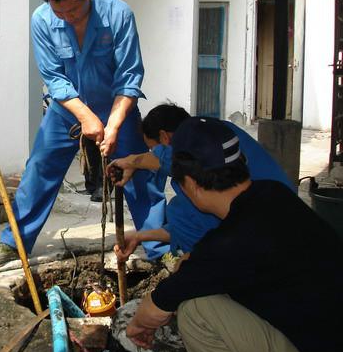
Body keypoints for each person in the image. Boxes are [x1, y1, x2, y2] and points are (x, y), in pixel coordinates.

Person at [0, 0, 168, 266]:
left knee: (140, 175)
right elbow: (54, 78)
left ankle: (162, 248)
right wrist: (86, 117)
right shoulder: (41, 20)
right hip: (66, 111)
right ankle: (14, 243)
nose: (67, 19)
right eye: (59, 14)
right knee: (38, 171)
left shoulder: (118, 14)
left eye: (74, 12)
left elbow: (130, 77)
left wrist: (114, 124)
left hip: (117, 107)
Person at [125, 116, 343, 352]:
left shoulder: (231, 244)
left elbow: (153, 309)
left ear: (191, 183)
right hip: (326, 331)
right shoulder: (275, 194)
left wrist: (136, 326)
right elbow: (214, 255)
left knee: (196, 310)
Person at [110, 104, 293, 261]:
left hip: (261, 240)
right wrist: (139, 236)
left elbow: (168, 159)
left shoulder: (198, 155)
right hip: (283, 217)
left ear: (165, 137)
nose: (153, 154)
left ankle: (204, 272)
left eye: (153, 149)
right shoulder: (218, 130)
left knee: (178, 210)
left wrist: (131, 161)